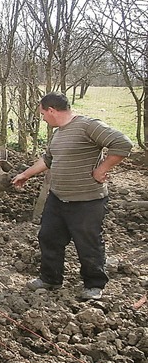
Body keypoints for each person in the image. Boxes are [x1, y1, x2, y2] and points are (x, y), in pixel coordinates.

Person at [12, 92, 133, 300]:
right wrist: (26, 174)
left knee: (88, 243)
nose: (42, 118)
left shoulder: (88, 126)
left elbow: (123, 144)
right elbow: (48, 160)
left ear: (52, 110)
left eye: (43, 113)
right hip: (58, 198)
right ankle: (50, 279)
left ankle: (94, 284)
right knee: (48, 237)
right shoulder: (58, 133)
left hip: (87, 201)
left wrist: (102, 169)